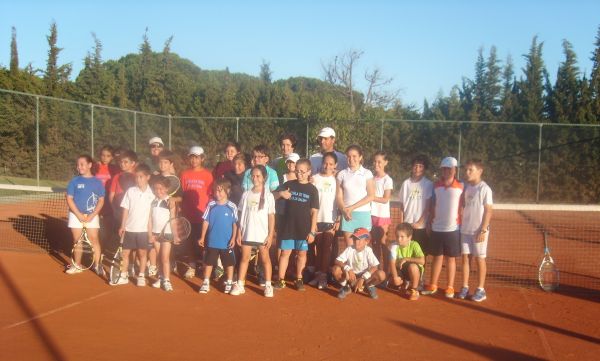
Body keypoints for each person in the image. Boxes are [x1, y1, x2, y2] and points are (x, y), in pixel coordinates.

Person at [273, 158, 319, 291]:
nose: (300, 174)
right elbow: (272, 196)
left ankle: (299, 278)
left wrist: (312, 232)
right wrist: (281, 193)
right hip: (288, 226)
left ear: (309, 172)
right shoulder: (289, 184)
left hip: (303, 228)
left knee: (301, 254)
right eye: (297, 171)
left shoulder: (312, 190)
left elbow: (314, 212)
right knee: (285, 253)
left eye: (303, 172)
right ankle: (280, 279)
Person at [230, 165, 276, 298]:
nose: (255, 178)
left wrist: (270, 234)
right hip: (247, 232)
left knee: (265, 259)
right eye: (253, 176)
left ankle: (268, 285)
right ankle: (240, 284)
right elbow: (241, 214)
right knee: (244, 258)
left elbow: (271, 216)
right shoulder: (246, 194)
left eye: (258, 176)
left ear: (264, 178)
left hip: (262, 234)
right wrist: (239, 232)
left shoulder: (268, 196)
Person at [422, 156, 464, 298]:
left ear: (455, 170)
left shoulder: (461, 186)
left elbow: (464, 206)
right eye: (444, 168)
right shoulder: (435, 186)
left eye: (449, 168)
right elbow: (432, 205)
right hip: (436, 228)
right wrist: (429, 222)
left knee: (450, 259)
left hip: (453, 229)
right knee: (437, 258)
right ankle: (433, 285)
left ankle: (450, 287)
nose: (447, 171)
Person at [113, 164, 156, 286]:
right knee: (125, 253)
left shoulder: (152, 195)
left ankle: (141, 276)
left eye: (141, 177)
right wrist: (122, 226)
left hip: (143, 231)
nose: (138, 179)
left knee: (142, 254)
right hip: (129, 229)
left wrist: (150, 232)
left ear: (148, 177)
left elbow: (150, 217)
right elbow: (125, 210)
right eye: (137, 177)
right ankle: (124, 275)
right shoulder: (130, 191)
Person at [458, 159, 493, 302]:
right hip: (465, 230)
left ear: (480, 171)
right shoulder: (466, 187)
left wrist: (483, 230)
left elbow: (489, 211)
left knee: (480, 259)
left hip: (479, 231)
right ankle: (465, 287)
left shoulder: (485, 189)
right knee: (465, 258)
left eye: (470, 170)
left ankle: (480, 289)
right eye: (466, 170)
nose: (467, 173)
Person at [65, 155, 105, 275]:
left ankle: (97, 265)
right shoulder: (74, 181)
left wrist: (92, 215)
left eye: (82, 164)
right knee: (77, 240)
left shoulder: (98, 182)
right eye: (78, 165)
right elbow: (69, 199)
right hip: (75, 215)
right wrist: (78, 215)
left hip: (92, 216)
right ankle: (77, 265)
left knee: (94, 240)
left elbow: (101, 200)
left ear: (89, 165)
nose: (79, 167)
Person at [198, 178, 238, 294]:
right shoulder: (211, 205)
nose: (217, 193)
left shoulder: (232, 206)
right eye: (216, 191)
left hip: (227, 242)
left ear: (227, 191)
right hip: (212, 241)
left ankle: (229, 282)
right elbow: (206, 221)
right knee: (209, 262)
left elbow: (235, 224)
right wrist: (202, 236)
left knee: (229, 263)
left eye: (220, 191)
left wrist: (233, 238)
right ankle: (206, 282)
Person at [180, 146, 214, 279]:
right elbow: (181, 193)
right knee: (189, 242)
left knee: (203, 242)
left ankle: (205, 265)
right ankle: (192, 265)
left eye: (197, 157)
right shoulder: (184, 174)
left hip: (202, 215)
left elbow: (211, 195)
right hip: (188, 214)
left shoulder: (207, 175)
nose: (194, 160)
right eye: (192, 157)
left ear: (202, 158)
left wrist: (209, 212)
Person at [308, 152, 340, 290]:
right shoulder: (314, 179)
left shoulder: (337, 181)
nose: (327, 166)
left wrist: (338, 218)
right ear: (321, 163)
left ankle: (323, 276)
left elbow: (339, 200)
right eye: (325, 163)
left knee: (326, 248)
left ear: (335, 166)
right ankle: (318, 274)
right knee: (317, 248)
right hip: (316, 219)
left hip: (330, 219)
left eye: (331, 164)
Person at [336, 145, 375, 247]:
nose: (351, 159)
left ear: (360, 157)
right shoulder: (341, 174)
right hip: (347, 216)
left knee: (362, 248)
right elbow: (339, 196)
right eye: (349, 156)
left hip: (363, 214)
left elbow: (371, 196)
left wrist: (351, 208)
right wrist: (344, 210)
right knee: (350, 248)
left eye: (354, 156)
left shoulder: (367, 173)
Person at [331, 228, 385, 299]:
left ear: (366, 241)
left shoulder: (368, 250)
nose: (356, 241)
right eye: (355, 239)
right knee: (335, 269)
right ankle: (346, 287)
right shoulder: (350, 249)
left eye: (359, 239)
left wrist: (363, 278)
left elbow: (375, 266)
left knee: (381, 275)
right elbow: (337, 261)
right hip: (351, 277)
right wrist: (348, 269)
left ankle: (368, 286)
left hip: (364, 277)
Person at [148, 176, 180, 292]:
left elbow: (173, 219)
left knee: (165, 258)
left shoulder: (169, 201)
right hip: (155, 234)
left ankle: (166, 280)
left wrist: (175, 235)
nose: (158, 191)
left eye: (161, 189)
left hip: (167, 234)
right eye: (156, 189)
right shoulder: (153, 201)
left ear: (167, 189)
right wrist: (150, 234)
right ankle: (161, 277)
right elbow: (150, 219)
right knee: (159, 257)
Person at [398, 155, 433, 255]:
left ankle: (420, 271)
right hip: (407, 225)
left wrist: (419, 223)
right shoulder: (406, 183)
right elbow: (402, 206)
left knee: (420, 254)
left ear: (424, 168)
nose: (417, 169)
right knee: (406, 253)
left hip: (421, 227)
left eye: (420, 166)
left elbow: (428, 207)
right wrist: (402, 224)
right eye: (415, 166)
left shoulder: (428, 184)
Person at [389, 223, 425, 301]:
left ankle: (415, 290)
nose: (399, 239)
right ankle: (404, 284)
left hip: (413, 270)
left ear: (409, 237)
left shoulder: (414, 244)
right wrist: (395, 277)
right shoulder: (394, 246)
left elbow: (422, 261)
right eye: (397, 236)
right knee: (392, 281)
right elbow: (392, 262)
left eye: (402, 237)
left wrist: (406, 258)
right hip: (401, 269)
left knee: (413, 266)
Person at [370, 151, 393, 271]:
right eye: (375, 161)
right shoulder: (371, 178)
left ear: (385, 163)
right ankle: (376, 271)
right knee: (374, 244)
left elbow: (385, 199)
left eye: (379, 161)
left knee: (383, 243)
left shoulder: (387, 180)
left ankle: (386, 272)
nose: (376, 164)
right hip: (371, 215)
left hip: (382, 216)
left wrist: (371, 198)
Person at [94, 145, 120, 249]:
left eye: (108, 156)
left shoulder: (115, 168)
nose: (105, 158)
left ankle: (103, 251)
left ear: (112, 157)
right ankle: (96, 253)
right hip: (95, 202)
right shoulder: (95, 167)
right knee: (95, 231)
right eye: (103, 155)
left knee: (106, 232)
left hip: (109, 204)